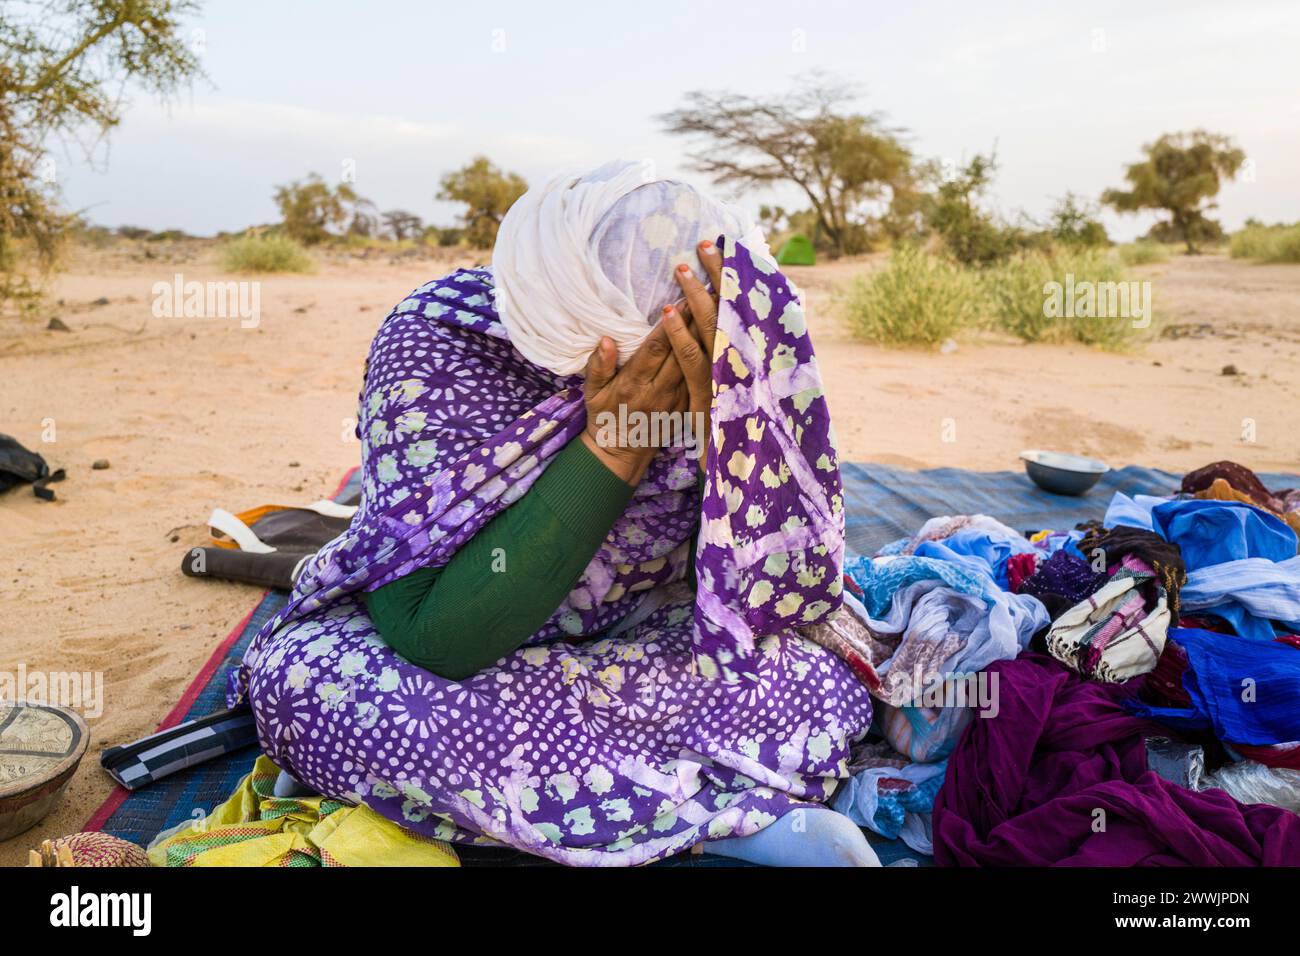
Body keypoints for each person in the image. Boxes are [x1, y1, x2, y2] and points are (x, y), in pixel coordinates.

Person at [232, 160, 878, 866]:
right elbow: (429, 634)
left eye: (682, 332)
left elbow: (747, 586)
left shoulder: (728, 340)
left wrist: (725, 434)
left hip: (639, 633)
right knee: (309, 688)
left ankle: (605, 804)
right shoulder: (438, 340)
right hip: (452, 653)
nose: (665, 353)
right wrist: (613, 446)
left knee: (815, 674)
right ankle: (729, 809)